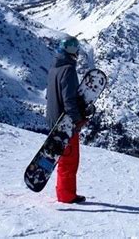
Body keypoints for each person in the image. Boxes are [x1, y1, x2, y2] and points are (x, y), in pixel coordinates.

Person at [46, 36, 87, 204]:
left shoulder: (54, 68)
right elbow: (68, 99)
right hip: (65, 123)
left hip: (53, 119)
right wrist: (77, 119)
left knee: (62, 158)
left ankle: (63, 191)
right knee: (69, 159)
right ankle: (66, 195)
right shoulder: (68, 70)